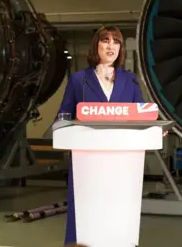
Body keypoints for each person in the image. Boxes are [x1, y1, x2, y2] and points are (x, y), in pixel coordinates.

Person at [55, 25, 144, 246]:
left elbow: (143, 114)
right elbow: (63, 116)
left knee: (118, 213)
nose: (111, 46)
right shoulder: (79, 80)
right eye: (106, 40)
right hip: (87, 164)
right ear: (96, 46)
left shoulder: (130, 80)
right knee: (84, 214)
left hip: (122, 163)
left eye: (116, 41)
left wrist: (154, 128)